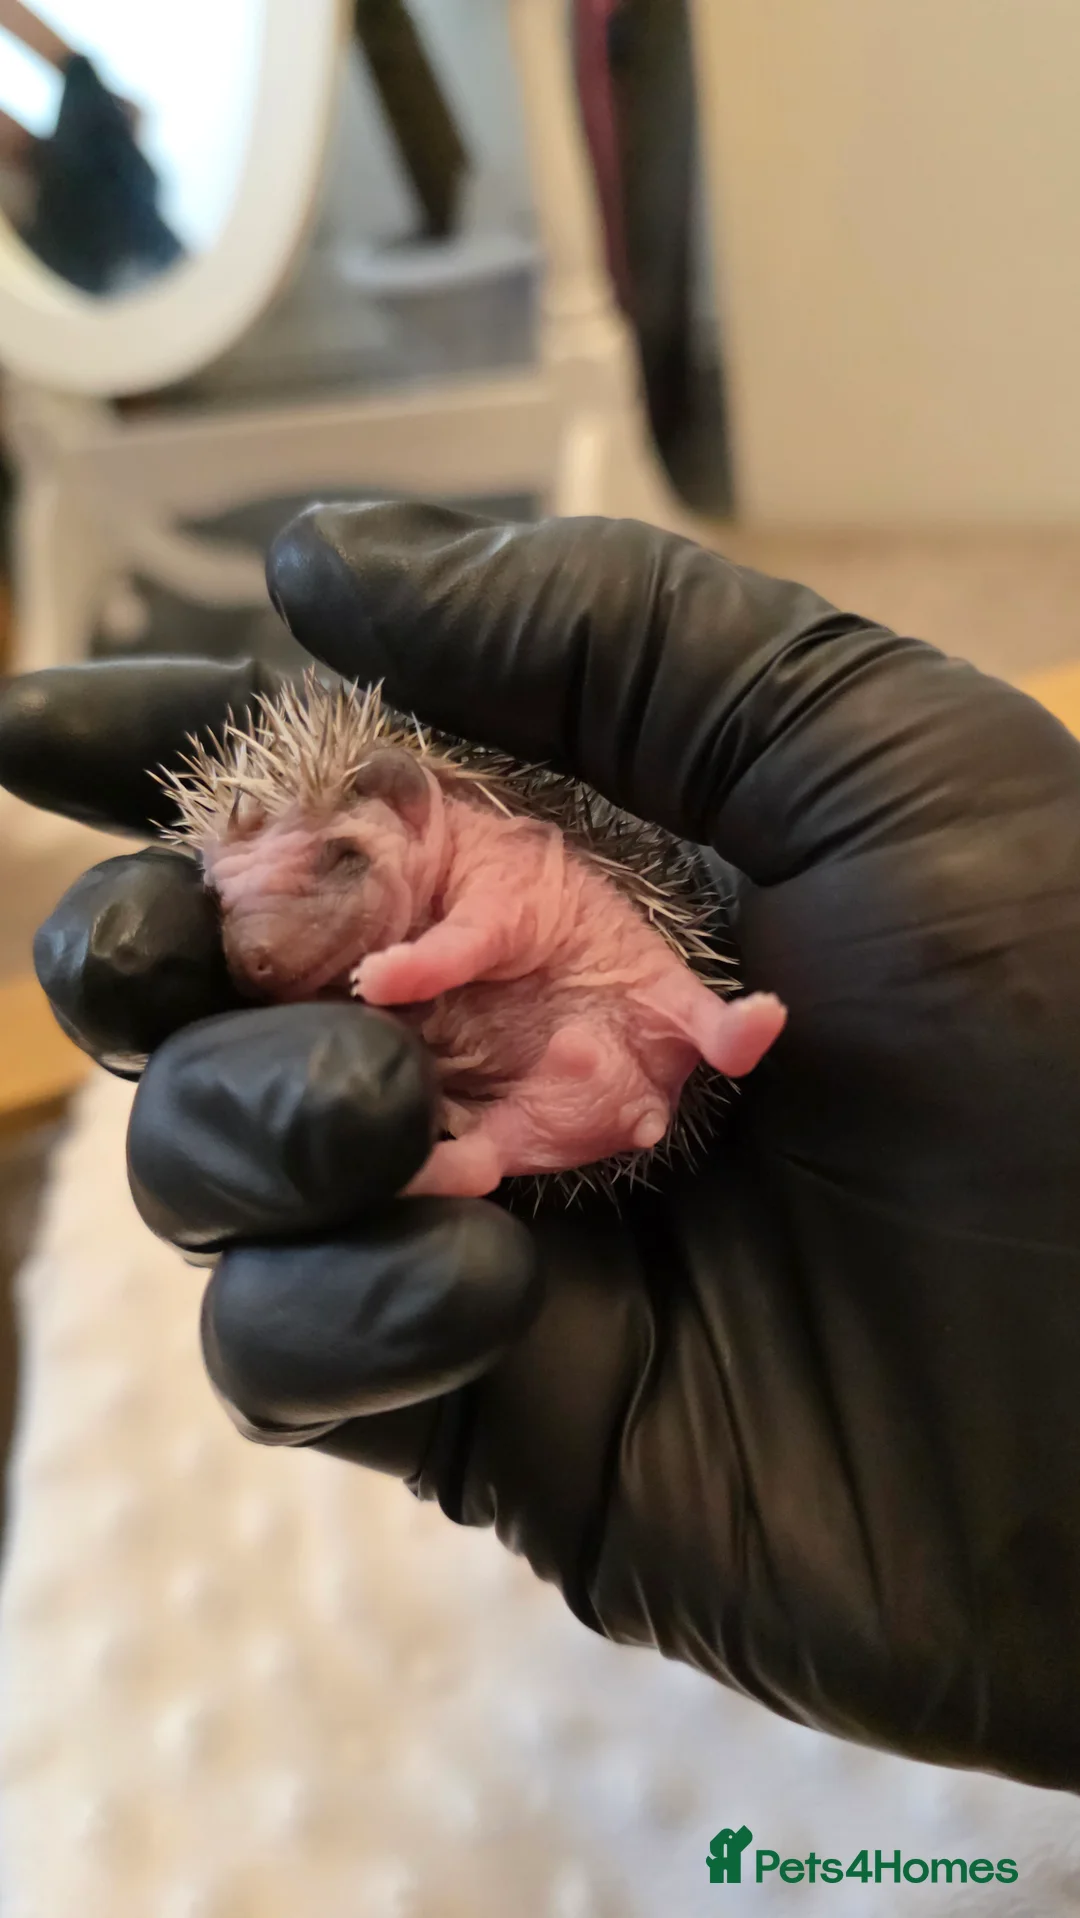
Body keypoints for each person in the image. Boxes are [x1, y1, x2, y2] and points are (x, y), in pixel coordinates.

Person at [3, 502, 1080, 1796]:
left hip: (606, 1017)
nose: (275, 954)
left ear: (400, 810)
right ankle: (465, 1155)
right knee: (444, 1121)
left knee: (557, 1049)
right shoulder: (334, 926)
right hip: (547, 1099)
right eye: (252, 941)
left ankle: (668, 1047)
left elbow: (492, 937)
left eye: (334, 871)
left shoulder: (482, 851)